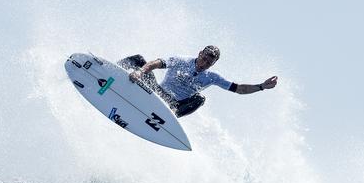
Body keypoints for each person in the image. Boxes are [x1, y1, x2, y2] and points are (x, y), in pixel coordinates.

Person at [119, 45, 278, 117]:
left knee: (200, 99)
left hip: (172, 105)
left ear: (213, 64)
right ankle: (104, 71)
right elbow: (156, 63)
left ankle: (168, 118)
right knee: (138, 59)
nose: (204, 63)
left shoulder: (212, 77)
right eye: (203, 58)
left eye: (209, 62)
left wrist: (262, 86)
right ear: (200, 53)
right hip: (156, 92)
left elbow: (239, 89)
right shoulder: (181, 60)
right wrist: (140, 71)